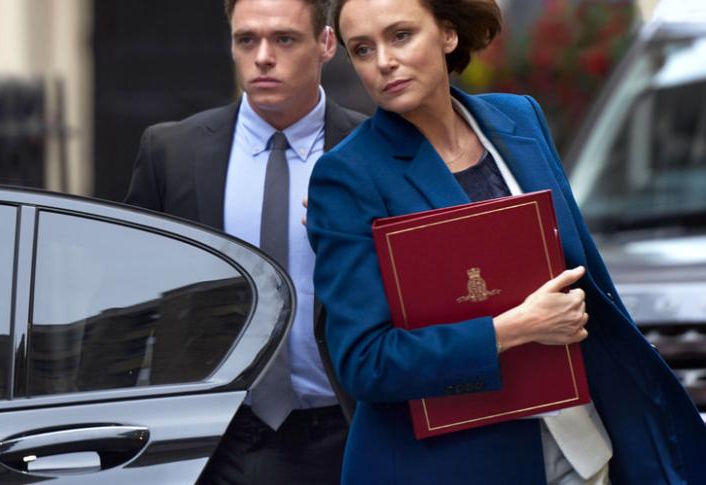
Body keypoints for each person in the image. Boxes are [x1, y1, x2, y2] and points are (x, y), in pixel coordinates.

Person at [306, 0, 706, 483]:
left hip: (582, 444)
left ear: (447, 35)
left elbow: (588, 277)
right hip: (449, 464)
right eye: (363, 49)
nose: (384, 61)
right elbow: (363, 362)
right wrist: (509, 330)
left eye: (401, 35)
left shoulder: (520, 119)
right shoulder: (346, 177)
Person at [124, 0, 367, 482]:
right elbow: (128, 300)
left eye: (284, 39)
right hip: (215, 443)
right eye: (246, 39)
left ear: (325, 43)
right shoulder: (173, 152)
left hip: (345, 433)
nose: (262, 57)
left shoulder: (371, 149)